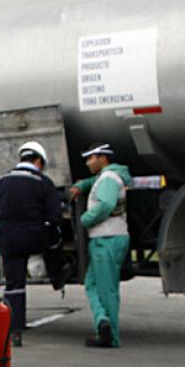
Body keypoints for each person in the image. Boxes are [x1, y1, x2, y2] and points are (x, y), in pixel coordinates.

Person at [0, 140, 67, 347]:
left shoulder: (0, 181)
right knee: (55, 239)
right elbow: (55, 216)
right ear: (38, 161)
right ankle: (57, 277)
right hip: (35, 238)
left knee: (14, 285)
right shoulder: (43, 182)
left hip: (9, 239)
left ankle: (15, 331)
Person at [69, 142, 132, 348]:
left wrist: (85, 219)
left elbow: (106, 204)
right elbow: (94, 182)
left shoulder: (108, 179)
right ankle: (102, 321)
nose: (88, 163)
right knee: (92, 284)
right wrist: (81, 185)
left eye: (91, 158)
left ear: (103, 158)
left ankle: (110, 336)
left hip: (107, 239)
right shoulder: (107, 176)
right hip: (107, 238)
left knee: (106, 289)